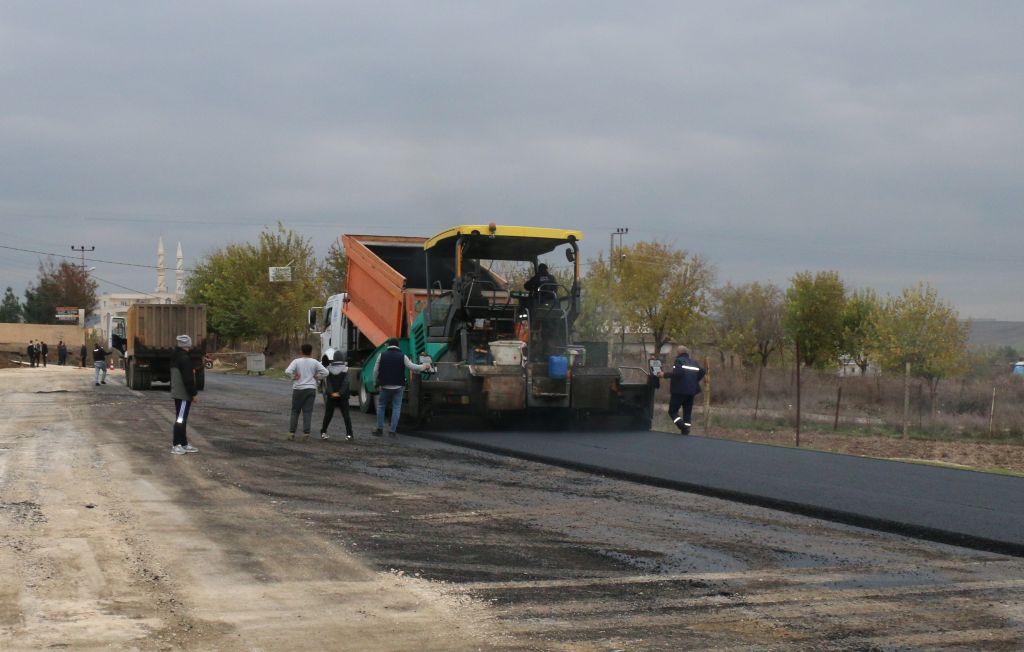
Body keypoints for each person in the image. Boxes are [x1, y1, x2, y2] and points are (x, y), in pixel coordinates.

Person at [372, 338, 432, 436]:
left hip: (385, 386)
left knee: (381, 406)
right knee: (396, 408)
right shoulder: (403, 356)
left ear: (388, 346)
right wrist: (424, 366)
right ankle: (392, 431)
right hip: (398, 387)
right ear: (397, 346)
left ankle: (379, 429)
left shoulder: (381, 356)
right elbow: (412, 367)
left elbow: (375, 371)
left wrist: (375, 383)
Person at [285, 343, 329, 441]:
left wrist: (293, 377)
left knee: (295, 411)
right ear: (311, 351)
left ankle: (292, 433)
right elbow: (326, 372)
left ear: (301, 351)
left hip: (298, 389)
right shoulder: (315, 362)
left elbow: (287, 371)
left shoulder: (296, 361)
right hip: (310, 389)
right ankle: (306, 433)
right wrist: (318, 377)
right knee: (307, 411)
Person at [658, 345, 705, 435]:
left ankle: (682, 426)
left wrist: (664, 375)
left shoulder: (679, 361)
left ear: (679, 352)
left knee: (672, 411)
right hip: (691, 391)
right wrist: (694, 381)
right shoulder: (693, 361)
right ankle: (686, 430)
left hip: (679, 391)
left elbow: (677, 373)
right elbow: (702, 371)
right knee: (687, 412)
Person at [169, 335, 200, 454]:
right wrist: (194, 393)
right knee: (180, 419)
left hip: (178, 393)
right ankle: (176, 444)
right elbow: (188, 378)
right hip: (183, 394)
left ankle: (184, 444)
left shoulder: (175, 356)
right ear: (187, 345)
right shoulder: (185, 358)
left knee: (182, 419)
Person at [320, 351, 353, 441]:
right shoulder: (346, 369)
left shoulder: (328, 369)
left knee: (328, 415)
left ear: (334, 358)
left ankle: (323, 432)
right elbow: (346, 382)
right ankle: (349, 435)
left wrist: (331, 393)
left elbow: (328, 383)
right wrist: (340, 393)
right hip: (343, 397)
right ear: (342, 358)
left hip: (331, 397)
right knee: (346, 415)